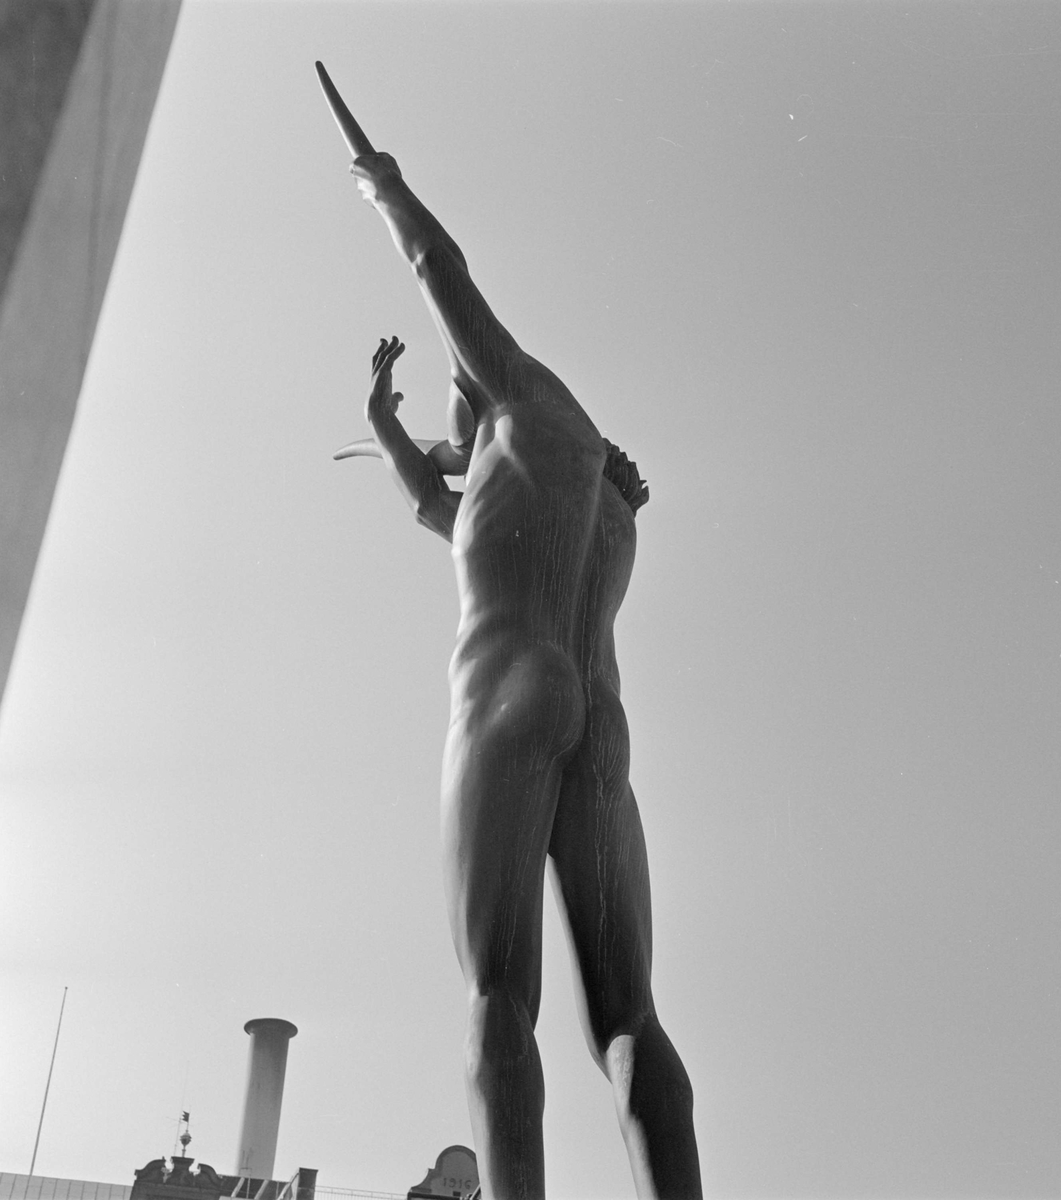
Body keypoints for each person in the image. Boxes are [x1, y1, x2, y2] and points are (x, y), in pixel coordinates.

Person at [346, 148, 701, 1200]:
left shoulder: (515, 392)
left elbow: (437, 264)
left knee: (499, 996)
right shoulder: (591, 481)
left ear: (471, 394)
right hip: (600, 724)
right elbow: (432, 504)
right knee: (629, 1015)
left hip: (508, 695)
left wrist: (383, 185)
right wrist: (377, 426)